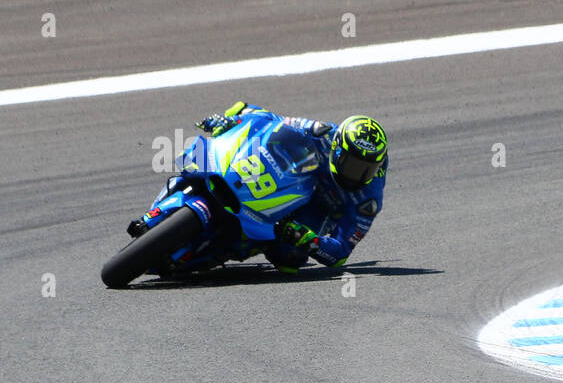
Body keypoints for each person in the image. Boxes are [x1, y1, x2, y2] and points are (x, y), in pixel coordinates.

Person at [133, 101, 388, 273]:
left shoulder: (368, 200)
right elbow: (272, 120)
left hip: (318, 209)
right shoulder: (322, 133)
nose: (359, 174)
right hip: (294, 178)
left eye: (367, 169)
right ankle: (161, 210)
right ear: (337, 149)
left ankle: (226, 248)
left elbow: (341, 253)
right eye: (353, 165)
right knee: (202, 164)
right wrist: (231, 119)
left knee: (288, 258)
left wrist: (311, 241)